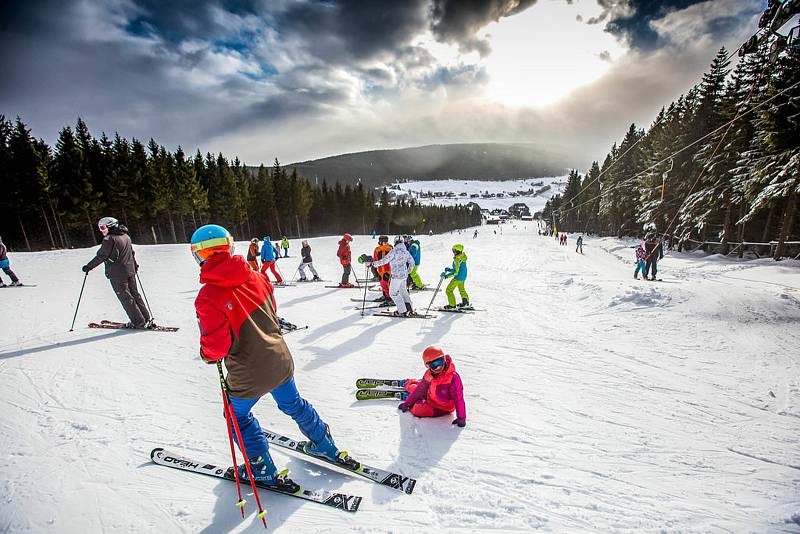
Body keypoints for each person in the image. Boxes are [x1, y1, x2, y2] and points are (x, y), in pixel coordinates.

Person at [191, 224, 358, 487]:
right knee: (293, 404)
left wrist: (206, 354)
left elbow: (217, 348)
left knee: (237, 417)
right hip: (279, 359)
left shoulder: (208, 296)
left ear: (198, 255)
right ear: (230, 245)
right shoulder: (257, 277)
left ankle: (260, 468)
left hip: (248, 374)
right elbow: (271, 314)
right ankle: (324, 443)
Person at [82, 217, 152, 328]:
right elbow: (131, 253)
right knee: (134, 294)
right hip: (130, 271)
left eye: (103, 227)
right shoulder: (126, 236)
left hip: (118, 274)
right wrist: (134, 265)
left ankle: (138, 321)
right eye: (100, 228)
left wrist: (89, 267)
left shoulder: (109, 239)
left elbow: (102, 256)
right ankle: (146, 318)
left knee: (126, 297)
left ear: (110, 226)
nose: (101, 230)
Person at [398, 346, 466, 427]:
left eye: (440, 362)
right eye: (434, 365)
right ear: (428, 366)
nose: (438, 367)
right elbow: (420, 389)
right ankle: (407, 383)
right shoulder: (429, 374)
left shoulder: (453, 378)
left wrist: (461, 418)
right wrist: (407, 403)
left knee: (418, 409)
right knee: (415, 388)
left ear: (444, 359)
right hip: (431, 395)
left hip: (442, 407)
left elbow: (458, 398)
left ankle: (410, 397)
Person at [368, 236, 416, 316]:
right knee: (403, 292)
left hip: (396, 277)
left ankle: (402, 311)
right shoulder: (406, 252)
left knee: (393, 293)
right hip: (404, 276)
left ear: (395, 242)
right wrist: (407, 272)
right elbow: (412, 263)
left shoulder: (393, 252)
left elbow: (384, 261)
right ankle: (409, 308)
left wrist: (373, 264)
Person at [441, 243, 469, 310]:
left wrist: (445, 276)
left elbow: (455, 272)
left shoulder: (457, 259)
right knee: (462, 290)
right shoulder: (462, 257)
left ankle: (452, 305)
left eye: (454, 250)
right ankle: (465, 302)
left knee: (448, 290)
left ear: (458, 251)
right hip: (463, 276)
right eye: (452, 250)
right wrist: (450, 269)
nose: (453, 252)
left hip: (458, 277)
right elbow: (457, 269)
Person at [372, 235, 393, 302]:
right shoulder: (377, 249)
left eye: (381, 240)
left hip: (388, 270)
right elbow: (375, 259)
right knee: (383, 284)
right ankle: (385, 296)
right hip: (380, 270)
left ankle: (390, 298)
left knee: (387, 284)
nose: (379, 242)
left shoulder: (390, 248)